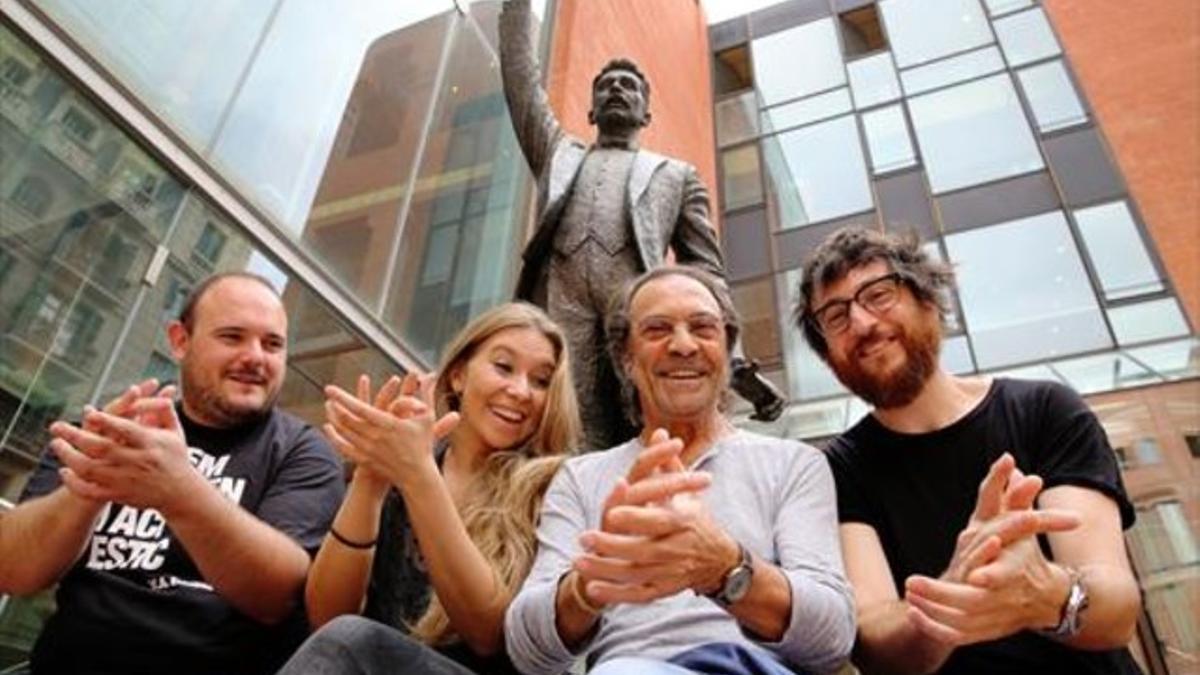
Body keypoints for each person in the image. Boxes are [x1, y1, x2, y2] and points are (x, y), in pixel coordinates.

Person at [795, 226, 1143, 674]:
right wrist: (954, 593)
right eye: (836, 317)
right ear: (828, 354)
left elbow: (1117, 609)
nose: (861, 323)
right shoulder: (838, 471)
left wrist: (1044, 594)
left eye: (878, 295)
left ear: (928, 301)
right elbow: (877, 645)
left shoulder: (1047, 411)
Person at [506, 267, 855, 675]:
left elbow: (834, 637)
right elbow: (527, 653)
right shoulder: (580, 479)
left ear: (726, 352)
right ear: (626, 359)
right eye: (656, 330)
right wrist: (592, 581)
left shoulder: (795, 464)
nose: (683, 345)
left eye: (703, 328)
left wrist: (727, 569)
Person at [0, 272, 346, 675]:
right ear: (180, 341)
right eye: (232, 337)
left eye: (273, 344)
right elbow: (12, 570)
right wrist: (87, 487)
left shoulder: (304, 452)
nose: (256, 357)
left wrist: (180, 490)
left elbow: (280, 597)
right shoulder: (111, 431)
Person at [499, 0, 782, 451]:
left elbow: (705, 271)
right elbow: (520, 82)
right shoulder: (558, 155)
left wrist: (735, 358)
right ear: (590, 112)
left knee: (639, 429)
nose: (616, 89)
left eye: (628, 85)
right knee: (558, 433)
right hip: (561, 305)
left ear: (646, 113)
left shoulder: (677, 175)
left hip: (635, 312)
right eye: (606, 85)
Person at [276, 302, 580, 675]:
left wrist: (418, 477)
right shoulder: (409, 465)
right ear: (457, 376)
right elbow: (327, 619)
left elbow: (489, 636)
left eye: (542, 381)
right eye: (503, 367)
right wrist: (371, 480)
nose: (520, 390)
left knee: (356, 640)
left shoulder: (555, 488)